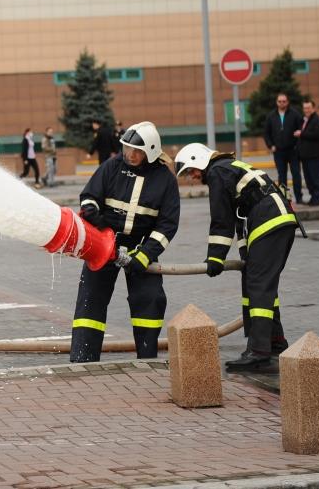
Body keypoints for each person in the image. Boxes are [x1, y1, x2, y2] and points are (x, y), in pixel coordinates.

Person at [174, 143, 298, 372]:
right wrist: (245, 257)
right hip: (278, 222)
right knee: (258, 283)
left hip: (269, 223)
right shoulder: (228, 167)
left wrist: (215, 258)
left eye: (191, 171)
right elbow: (240, 217)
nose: (192, 177)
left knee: (258, 285)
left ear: (199, 160)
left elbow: (222, 220)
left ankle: (259, 352)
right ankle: (274, 342)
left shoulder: (217, 172)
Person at [71, 121, 179, 361]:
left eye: (136, 151)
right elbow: (89, 196)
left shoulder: (165, 180)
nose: (130, 154)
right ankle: (83, 359)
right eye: (127, 148)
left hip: (141, 248)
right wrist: (92, 213)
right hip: (103, 244)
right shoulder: (111, 167)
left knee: (150, 299)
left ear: (151, 151)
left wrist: (145, 255)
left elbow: (167, 225)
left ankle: (147, 359)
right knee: (90, 298)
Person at [263, 94, 304, 203]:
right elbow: (266, 133)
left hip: (293, 150)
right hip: (278, 151)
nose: (282, 103)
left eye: (284, 101)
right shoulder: (271, 116)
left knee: (296, 174)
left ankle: (299, 198)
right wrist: (270, 145)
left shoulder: (295, 114)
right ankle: (285, 198)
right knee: (282, 176)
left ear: (287, 102)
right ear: (277, 102)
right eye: (280, 101)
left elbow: (302, 129)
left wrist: (298, 144)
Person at [295, 100, 319, 206]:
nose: (306, 110)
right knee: (309, 179)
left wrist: (301, 134)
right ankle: (314, 197)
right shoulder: (305, 120)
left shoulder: (318, 120)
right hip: (305, 156)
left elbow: (317, 134)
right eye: (305, 108)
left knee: (315, 178)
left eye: (308, 108)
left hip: (314, 156)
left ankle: (318, 199)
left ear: (313, 108)